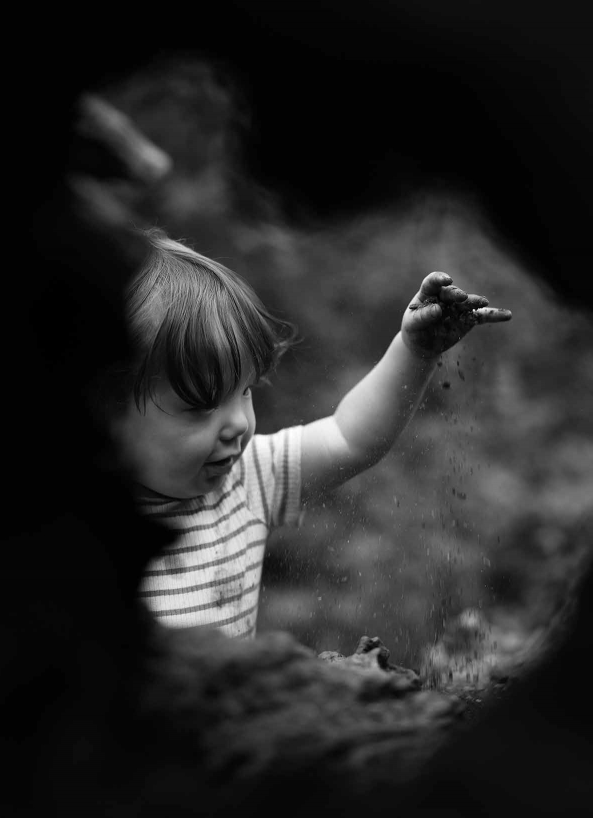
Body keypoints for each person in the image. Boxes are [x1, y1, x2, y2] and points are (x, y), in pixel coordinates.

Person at [103, 226, 512, 637]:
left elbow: (348, 438)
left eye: (244, 391)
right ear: (104, 411)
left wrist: (414, 352)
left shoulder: (244, 481)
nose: (239, 424)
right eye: (201, 405)